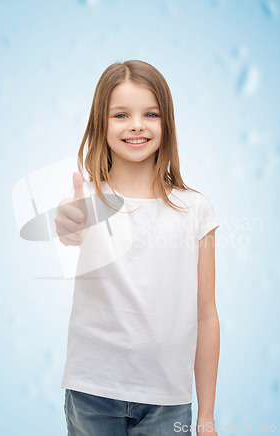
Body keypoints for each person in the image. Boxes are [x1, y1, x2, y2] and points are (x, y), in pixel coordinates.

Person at [55, 60, 221, 436]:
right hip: (91, 392)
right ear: (102, 123)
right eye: (120, 114)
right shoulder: (87, 200)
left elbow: (206, 315)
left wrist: (206, 415)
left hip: (168, 399)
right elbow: (69, 227)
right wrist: (68, 223)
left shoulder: (196, 209)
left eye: (150, 113)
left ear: (167, 124)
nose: (136, 125)